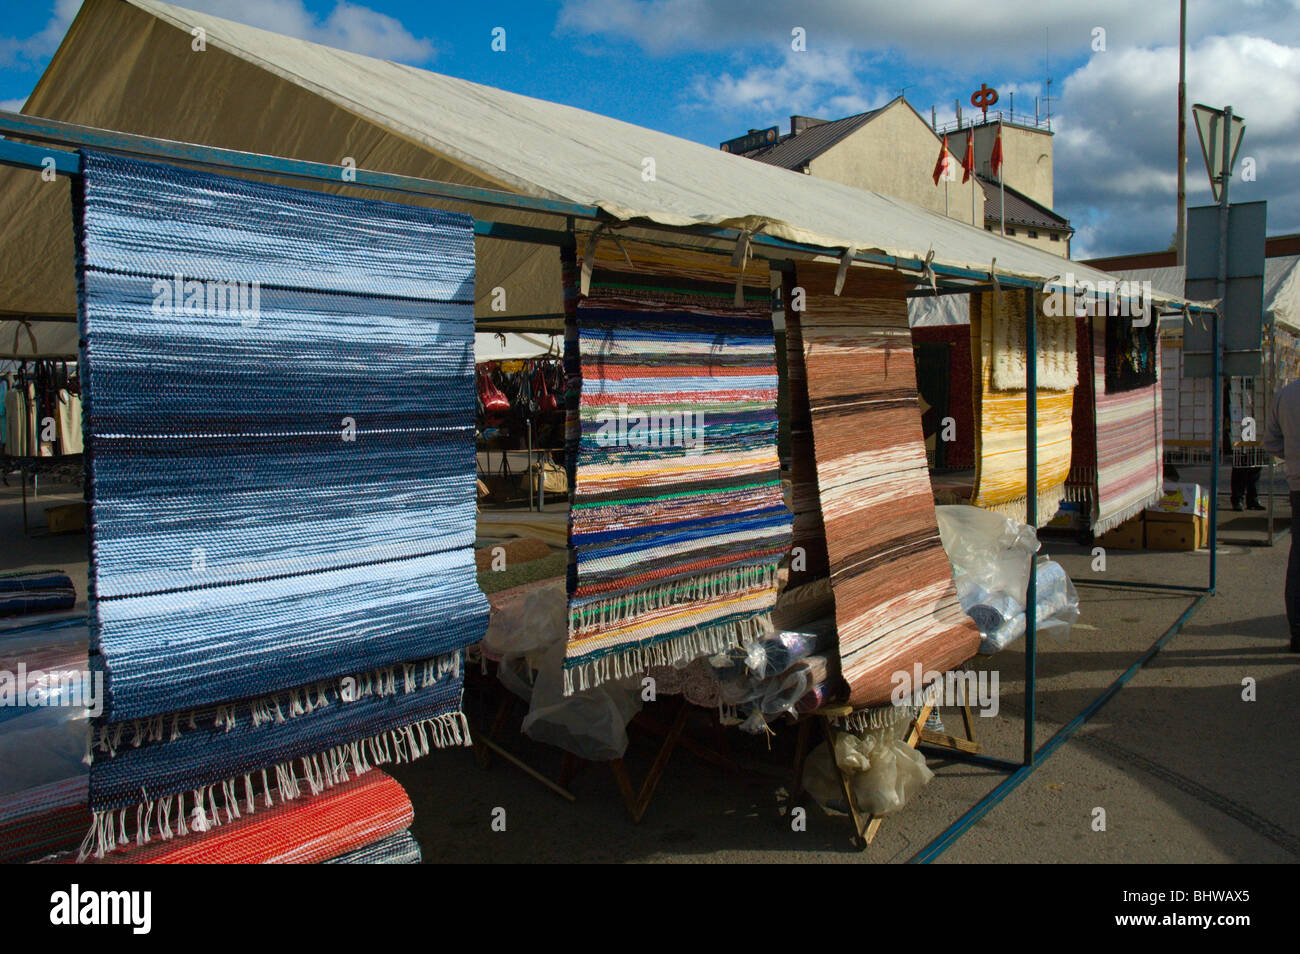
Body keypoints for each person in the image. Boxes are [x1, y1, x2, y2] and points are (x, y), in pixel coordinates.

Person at [1262, 378, 1300, 652]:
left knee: (1298, 560)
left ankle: (1297, 632)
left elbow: (1271, 443)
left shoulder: (1286, 394)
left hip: (1298, 485)